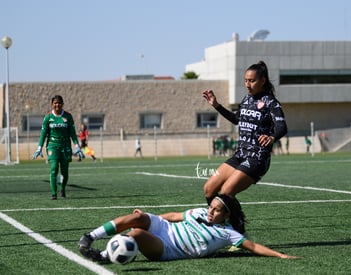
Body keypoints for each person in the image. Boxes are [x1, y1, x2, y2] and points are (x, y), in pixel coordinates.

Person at [78, 194, 299, 263]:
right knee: (139, 218)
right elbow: (173, 216)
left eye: (216, 210)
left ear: (227, 215)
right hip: (164, 228)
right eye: (210, 207)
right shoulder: (201, 212)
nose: (210, 212)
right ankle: (90, 237)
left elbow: (253, 246)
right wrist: (147, 217)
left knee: (135, 234)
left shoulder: (229, 233)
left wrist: (280, 254)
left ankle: (104, 255)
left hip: (168, 247)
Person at [202, 61, 287, 206]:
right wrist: (217, 106)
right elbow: (236, 119)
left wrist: (272, 137)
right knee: (209, 189)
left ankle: (237, 226)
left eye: (252, 81)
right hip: (240, 155)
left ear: (262, 81)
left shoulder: (271, 102)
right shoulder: (247, 99)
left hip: (257, 158)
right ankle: (220, 223)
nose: (248, 84)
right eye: (246, 81)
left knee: (226, 192)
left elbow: (282, 126)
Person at [32, 95, 85, 199]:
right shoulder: (48, 117)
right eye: (55, 103)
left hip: (65, 146)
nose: (57, 105)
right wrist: (39, 148)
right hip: (52, 145)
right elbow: (43, 134)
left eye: (59, 103)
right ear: (52, 104)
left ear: (62, 104)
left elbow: (72, 133)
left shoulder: (68, 116)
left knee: (64, 172)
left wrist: (77, 146)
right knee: (54, 168)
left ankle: (63, 189)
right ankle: (53, 193)